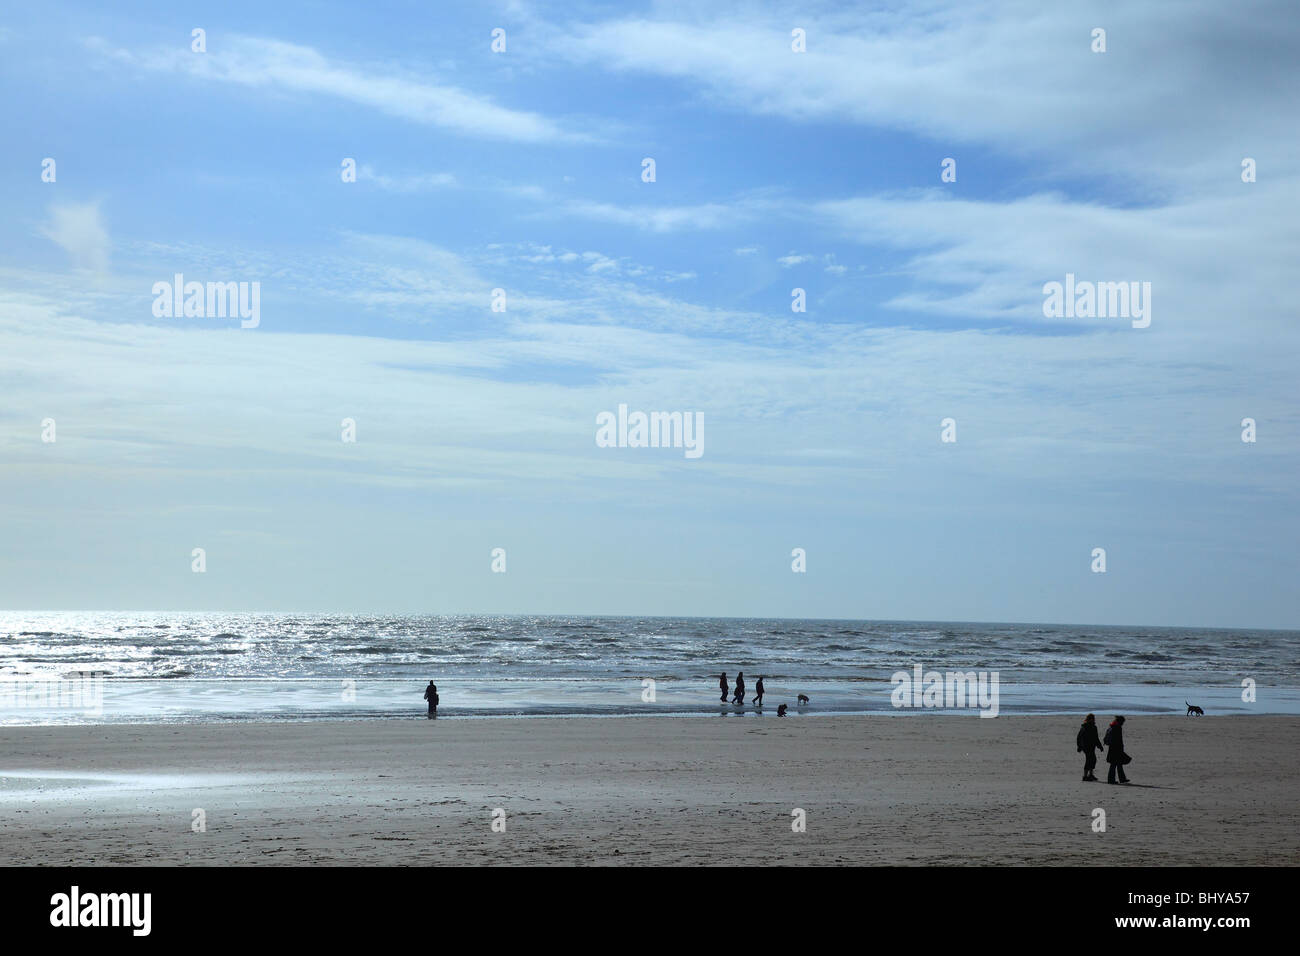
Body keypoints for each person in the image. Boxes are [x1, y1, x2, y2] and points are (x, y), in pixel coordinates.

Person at [1076, 713, 1103, 781]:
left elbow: (1096, 738)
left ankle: (1090, 775)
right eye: (1092, 718)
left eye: (1093, 718)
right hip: (1086, 747)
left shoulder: (1094, 727)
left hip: (1091, 746)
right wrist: (1079, 746)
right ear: (1088, 719)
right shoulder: (1084, 727)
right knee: (1089, 760)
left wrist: (1099, 746)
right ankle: (1085, 776)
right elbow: (1079, 737)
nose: (1093, 720)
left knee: (1093, 760)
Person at [1103, 715, 1130, 784]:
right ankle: (1111, 780)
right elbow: (1118, 739)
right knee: (1114, 764)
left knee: (1118, 763)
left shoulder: (1112, 726)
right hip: (1116, 748)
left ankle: (1122, 778)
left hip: (1112, 748)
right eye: (1123, 722)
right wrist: (1121, 748)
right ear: (1120, 721)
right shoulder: (1117, 728)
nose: (1123, 723)